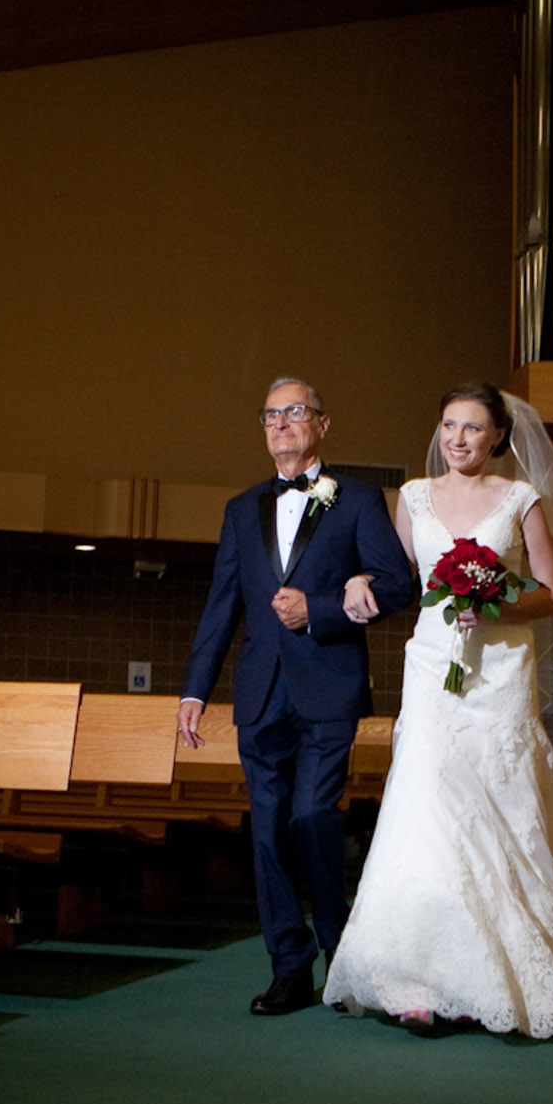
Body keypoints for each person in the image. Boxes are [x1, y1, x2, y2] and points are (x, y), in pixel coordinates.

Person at [322, 382, 553, 1038]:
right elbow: (396, 579)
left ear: (499, 435)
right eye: (449, 425)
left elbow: (552, 592)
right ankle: (418, 978)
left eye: (473, 427)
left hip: (500, 669)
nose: (457, 439)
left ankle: (506, 973)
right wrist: (359, 578)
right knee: (426, 806)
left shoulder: (520, 499)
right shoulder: (412, 496)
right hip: (432, 666)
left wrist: (496, 601)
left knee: (503, 803)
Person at [177, 377, 415, 1016]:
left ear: (322, 423)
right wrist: (195, 690)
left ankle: (341, 956)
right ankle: (288, 967)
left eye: (294, 411)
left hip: (329, 686)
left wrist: (319, 609)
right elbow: (222, 604)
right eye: (270, 415)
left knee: (313, 818)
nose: (281, 423)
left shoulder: (358, 499)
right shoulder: (240, 508)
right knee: (266, 833)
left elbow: (398, 585)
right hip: (259, 693)